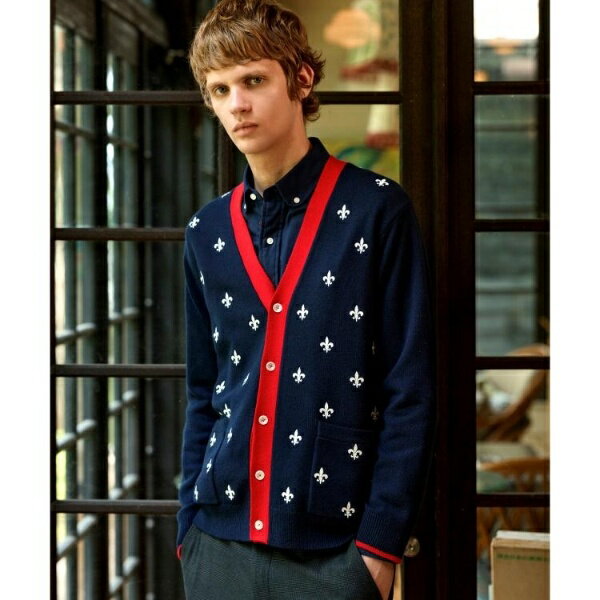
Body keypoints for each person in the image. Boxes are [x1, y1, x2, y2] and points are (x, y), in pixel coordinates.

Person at [177, 1, 436, 598]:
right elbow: (202, 390)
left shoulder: (376, 210)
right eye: (220, 90)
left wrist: (377, 550)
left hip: (336, 552)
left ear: (301, 79)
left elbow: (411, 390)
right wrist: (189, 527)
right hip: (218, 546)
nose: (237, 104)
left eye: (253, 80)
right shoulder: (206, 232)